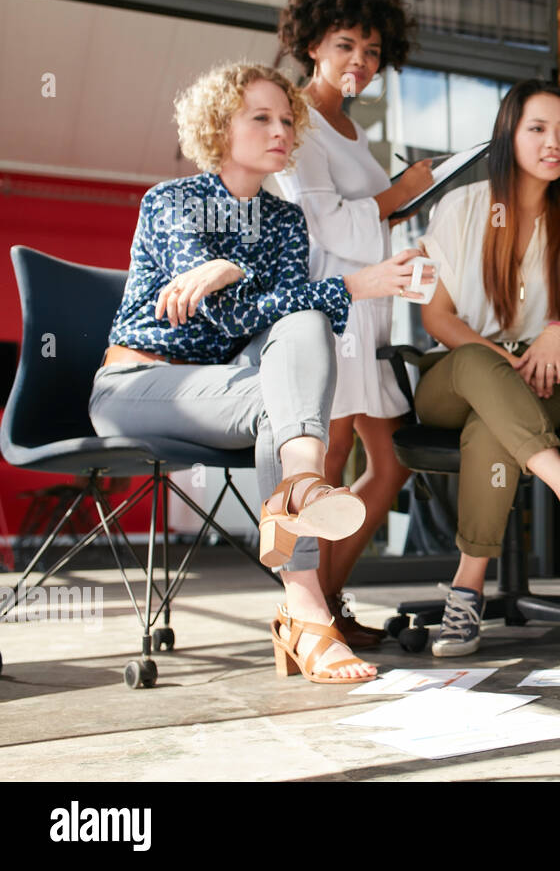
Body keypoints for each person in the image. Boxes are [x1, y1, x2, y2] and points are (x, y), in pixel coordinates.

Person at [89, 62, 426, 684]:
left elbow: (293, 318)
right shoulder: (172, 202)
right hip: (138, 387)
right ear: (220, 127)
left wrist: (245, 273)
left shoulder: (284, 220)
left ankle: (300, 515)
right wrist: (248, 275)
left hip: (228, 392)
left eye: (287, 119)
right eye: (261, 118)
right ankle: (304, 600)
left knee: (302, 330)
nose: (282, 131)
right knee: (298, 340)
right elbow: (221, 317)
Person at [413, 79, 560, 657]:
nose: (553, 143)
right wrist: (500, 359)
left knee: (492, 425)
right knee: (477, 370)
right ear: (509, 134)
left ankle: (466, 595)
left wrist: (559, 333)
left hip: (549, 379)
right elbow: (437, 318)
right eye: (537, 128)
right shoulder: (461, 208)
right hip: (457, 374)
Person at [274, 0, 431, 648]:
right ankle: (309, 617)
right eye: (345, 46)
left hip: (369, 313)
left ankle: (328, 601)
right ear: (313, 44)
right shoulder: (298, 120)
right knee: (324, 465)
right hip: (328, 311)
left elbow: (364, 224)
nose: (359, 62)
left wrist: (408, 203)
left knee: (390, 462)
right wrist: (401, 192)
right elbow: (324, 222)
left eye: (371, 50)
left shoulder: (350, 128)